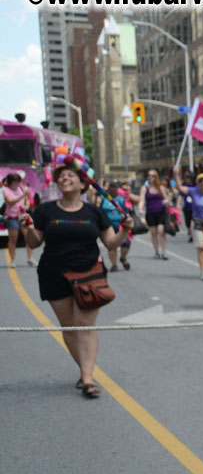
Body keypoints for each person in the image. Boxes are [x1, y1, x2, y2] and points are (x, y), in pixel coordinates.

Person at [19, 161, 131, 398]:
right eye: (61, 176)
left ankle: (89, 379)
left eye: (70, 175)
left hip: (89, 274)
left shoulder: (95, 212)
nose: (64, 178)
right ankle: (84, 370)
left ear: (82, 183)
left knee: (85, 326)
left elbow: (111, 243)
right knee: (69, 328)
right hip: (53, 274)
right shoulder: (45, 211)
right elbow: (33, 242)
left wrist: (124, 230)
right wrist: (27, 229)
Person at [174, 173, 203, 280]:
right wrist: (176, 174)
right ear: (197, 183)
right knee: (201, 247)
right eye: (200, 181)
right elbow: (179, 187)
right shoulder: (193, 191)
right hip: (197, 221)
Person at [132, 168, 171, 260]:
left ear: (156, 177)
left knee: (161, 231)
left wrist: (165, 201)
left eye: (153, 176)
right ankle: (157, 251)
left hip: (161, 212)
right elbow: (141, 200)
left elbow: (166, 198)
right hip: (150, 213)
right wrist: (140, 209)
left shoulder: (160, 188)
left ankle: (164, 251)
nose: (150, 177)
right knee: (153, 233)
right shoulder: (144, 188)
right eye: (149, 176)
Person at [101, 182, 134, 272]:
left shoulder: (121, 199)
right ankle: (114, 264)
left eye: (114, 189)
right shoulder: (103, 198)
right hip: (108, 225)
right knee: (111, 246)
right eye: (110, 189)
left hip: (121, 225)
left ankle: (123, 258)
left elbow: (127, 210)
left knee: (126, 244)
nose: (112, 190)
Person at [4, 172, 34, 267]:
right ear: (10, 182)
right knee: (13, 238)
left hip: (23, 215)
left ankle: (30, 258)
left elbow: (27, 199)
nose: (17, 184)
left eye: (18, 181)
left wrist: (27, 205)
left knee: (28, 236)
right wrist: (23, 195)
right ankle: (12, 260)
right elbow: (10, 201)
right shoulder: (6, 190)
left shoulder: (21, 188)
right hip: (12, 216)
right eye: (15, 182)